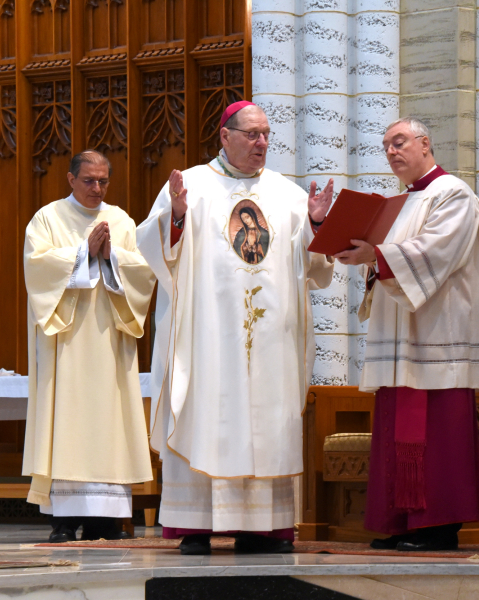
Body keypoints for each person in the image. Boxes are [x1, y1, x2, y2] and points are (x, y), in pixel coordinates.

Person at [136, 101, 334, 555]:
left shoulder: (287, 194)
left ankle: (264, 527)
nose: (261, 142)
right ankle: (197, 526)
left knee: (268, 421)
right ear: (224, 136)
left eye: (266, 134)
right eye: (251, 134)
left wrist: (318, 222)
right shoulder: (191, 185)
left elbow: (312, 263)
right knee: (209, 413)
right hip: (209, 340)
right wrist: (178, 217)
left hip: (272, 342)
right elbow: (153, 247)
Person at [334, 117, 479, 551]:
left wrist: (379, 256)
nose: (392, 151)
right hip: (402, 336)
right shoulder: (398, 203)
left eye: (400, 141)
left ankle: (439, 526)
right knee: (398, 431)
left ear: (426, 144)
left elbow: (434, 254)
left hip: (438, 335)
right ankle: (404, 523)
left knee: (438, 435)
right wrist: (366, 254)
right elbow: (392, 259)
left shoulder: (454, 195)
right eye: (386, 144)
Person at [22, 150, 156, 542]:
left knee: (108, 421)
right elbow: (37, 268)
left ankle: (104, 518)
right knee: (66, 419)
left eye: (103, 182)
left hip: (109, 339)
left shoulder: (121, 221)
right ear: (70, 179)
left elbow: (142, 272)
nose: (97, 189)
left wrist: (111, 254)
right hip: (67, 342)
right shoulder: (47, 218)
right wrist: (83, 253)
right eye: (89, 181)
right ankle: (63, 520)